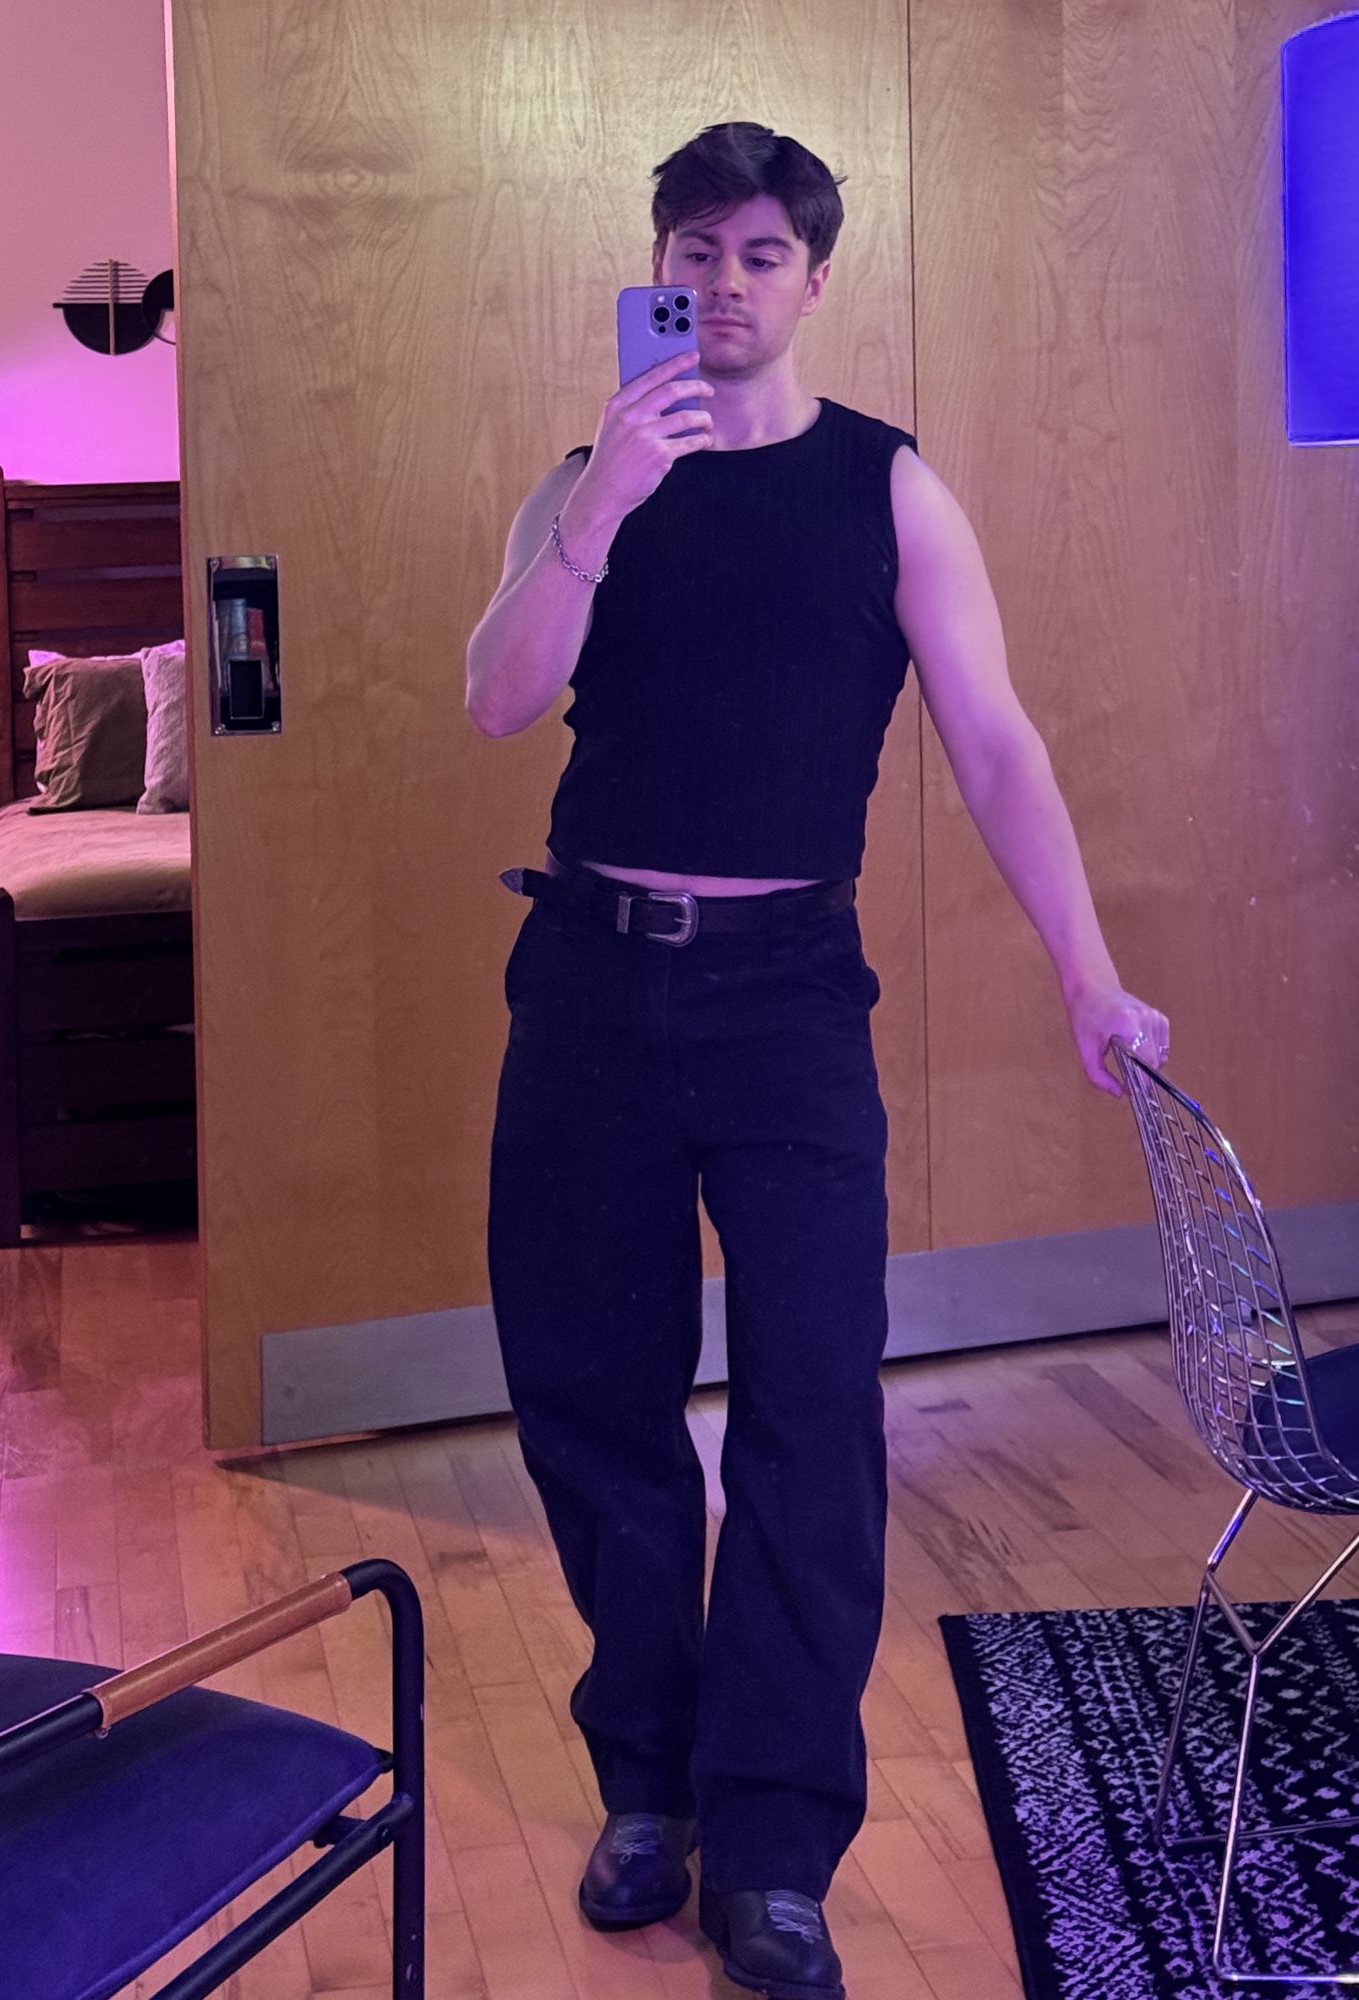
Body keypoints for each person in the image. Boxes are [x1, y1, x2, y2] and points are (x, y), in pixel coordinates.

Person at [465, 121, 1169, 2000]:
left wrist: (1090, 976)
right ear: (659, 268)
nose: (725, 283)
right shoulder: (587, 477)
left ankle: (773, 1845)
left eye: (761, 253)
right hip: (589, 987)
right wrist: (603, 506)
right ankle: (648, 1786)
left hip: (785, 999)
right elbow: (495, 696)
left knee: (812, 1418)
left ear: (815, 278)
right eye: (695, 250)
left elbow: (997, 744)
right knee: (592, 1402)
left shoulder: (890, 489)